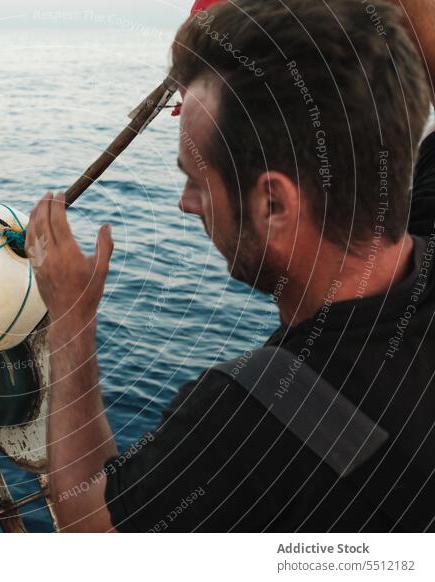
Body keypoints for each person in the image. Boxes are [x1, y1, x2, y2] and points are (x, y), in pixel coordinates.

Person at [25, 0, 435, 532]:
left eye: (198, 181)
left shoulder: (247, 418)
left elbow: (89, 526)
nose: (185, 203)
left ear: (274, 204)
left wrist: (71, 320)